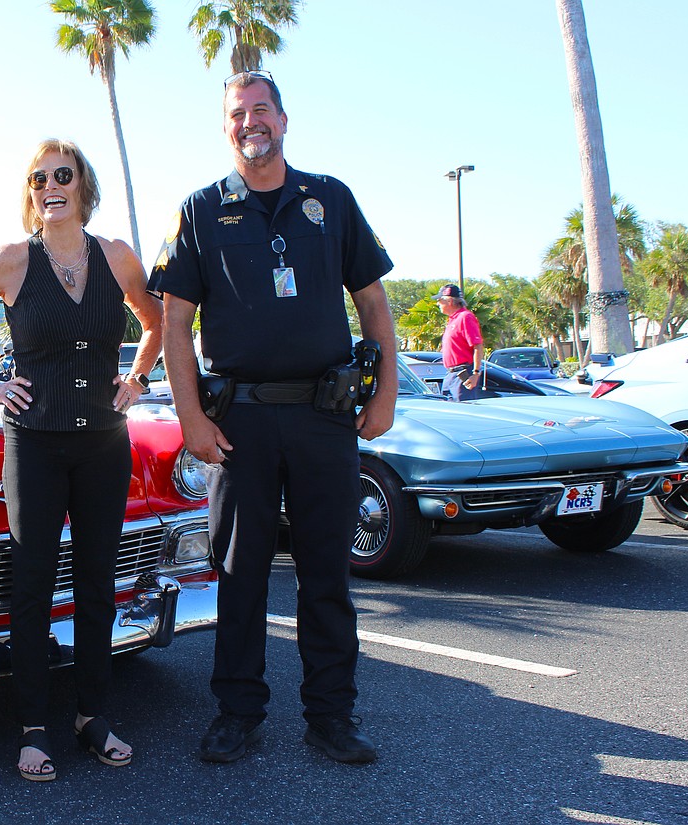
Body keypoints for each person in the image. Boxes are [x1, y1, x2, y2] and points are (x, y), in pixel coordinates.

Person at [149, 70, 397, 765]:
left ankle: (332, 716)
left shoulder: (331, 199)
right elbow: (174, 323)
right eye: (238, 113)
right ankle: (237, 712)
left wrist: (385, 395)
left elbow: (373, 303)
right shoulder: (200, 210)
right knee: (241, 574)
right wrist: (191, 417)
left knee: (327, 573)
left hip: (325, 418)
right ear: (226, 126)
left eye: (261, 110)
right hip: (240, 425)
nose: (250, 122)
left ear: (283, 121)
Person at [0, 138, 163, 781]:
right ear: (30, 192)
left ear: (83, 185)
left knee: (96, 584)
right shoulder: (12, 262)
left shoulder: (115, 257)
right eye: (39, 179)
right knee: (31, 586)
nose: (50, 186)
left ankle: (93, 716)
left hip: (104, 444)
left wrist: (138, 377)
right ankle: (33, 727)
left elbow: (155, 320)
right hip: (32, 442)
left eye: (63, 175)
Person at [434, 283, 486, 401]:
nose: (438, 304)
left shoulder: (465, 317)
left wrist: (475, 373)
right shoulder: (453, 319)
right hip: (451, 374)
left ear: (450, 301)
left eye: (440, 300)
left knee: (462, 412)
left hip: (463, 374)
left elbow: (477, 346)